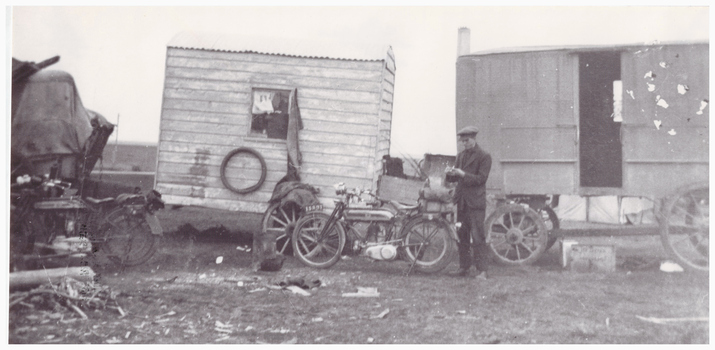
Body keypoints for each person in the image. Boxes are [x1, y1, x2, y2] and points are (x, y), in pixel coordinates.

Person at [446, 126, 492, 280]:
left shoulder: (484, 156)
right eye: (462, 141)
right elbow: (455, 179)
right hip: (462, 203)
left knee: (478, 237)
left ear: (474, 139)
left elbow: (481, 179)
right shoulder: (460, 156)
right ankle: (464, 267)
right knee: (462, 236)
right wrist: (450, 174)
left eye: (467, 140)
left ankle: (483, 271)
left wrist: (463, 174)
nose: (464, 143)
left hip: (475, 203)